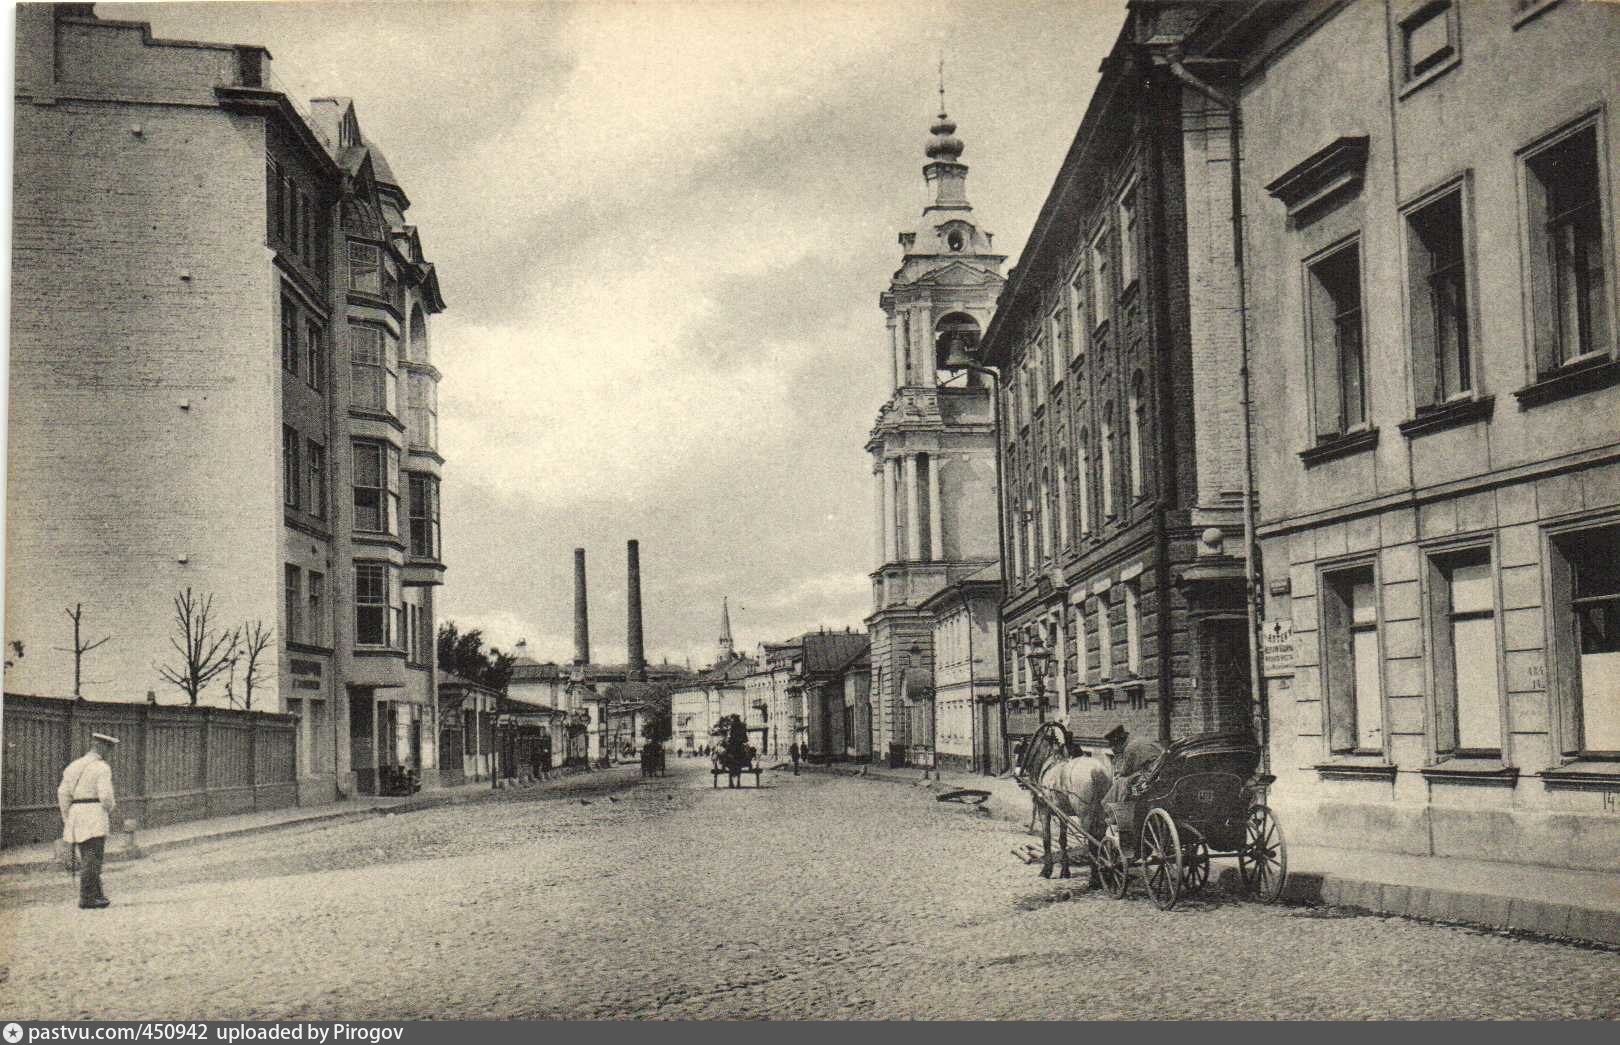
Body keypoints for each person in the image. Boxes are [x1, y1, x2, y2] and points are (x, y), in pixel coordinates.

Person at [57, 732, 119, 909]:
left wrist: (67, 816)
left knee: (86, 855)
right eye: (109, 748)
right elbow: (106, 796)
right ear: (101, 747)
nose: (110, 752)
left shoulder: (73, 766)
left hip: (76, 812)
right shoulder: (102, 767)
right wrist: (109, 808)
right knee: (93, 856)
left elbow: (62, 793)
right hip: (93, 813)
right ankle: (87, 898)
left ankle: (97, 894)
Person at [1103, 724, 1164, 806]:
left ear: (1118, 743)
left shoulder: (1130, 748)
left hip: (1150, 778)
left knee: (1121, 783)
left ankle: (1114, 806)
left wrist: (1118, 775)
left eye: (1114, 747)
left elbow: (1126, 772)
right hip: (1161, 770)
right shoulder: (1140, 739)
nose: (1114, 750)